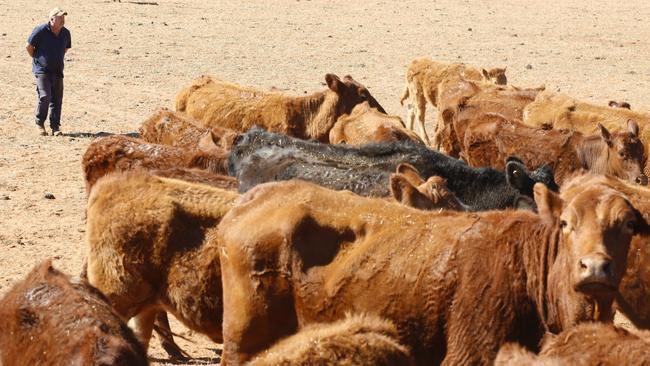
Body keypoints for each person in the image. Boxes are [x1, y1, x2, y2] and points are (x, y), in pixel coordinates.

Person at [26, 8, 72, 136]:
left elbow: (65, 48)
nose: (62, 19)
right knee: (45, 96)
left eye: (63, 17)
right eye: (60, 17)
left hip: (57, 70)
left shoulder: (66, 33)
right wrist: (38, 59)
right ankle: (40, 123)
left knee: (57, 99)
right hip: (42, 71)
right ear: (52, 19)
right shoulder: (40, 30)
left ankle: (55, 127)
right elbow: (28, 47)